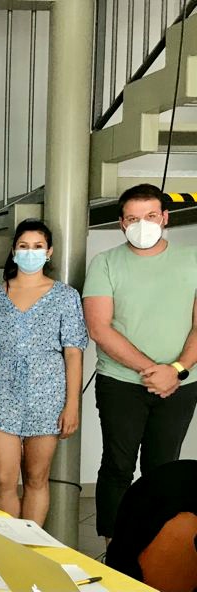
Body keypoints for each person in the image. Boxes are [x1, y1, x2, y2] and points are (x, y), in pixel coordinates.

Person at [82, 183, 197, 542]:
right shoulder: (105, 263)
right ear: (121, 223)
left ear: (165, 217)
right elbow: (99, 328)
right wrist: (153, 370)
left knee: (163, 469)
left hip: (180, 384)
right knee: (117, 466)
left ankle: (154, 550)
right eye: (132, 218)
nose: (142, 225)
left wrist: (175, 370)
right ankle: (115, 550)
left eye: (150, 216)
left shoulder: (192, 259)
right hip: (120, 383)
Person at [0, 219, 87, 525]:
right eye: (24, 246)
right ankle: (8, 545)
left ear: (49, 252)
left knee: (36, 477)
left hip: (47, 393)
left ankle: (31, 546)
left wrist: (72, 405)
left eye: (38, 246)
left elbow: (73, 352)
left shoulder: (65, 296)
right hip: (1, 391)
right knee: (3, 478)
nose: (30, 252)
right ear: (14, 251)